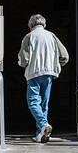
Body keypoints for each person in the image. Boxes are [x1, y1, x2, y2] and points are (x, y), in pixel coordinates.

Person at [17, 13, 69, 142]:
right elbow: (65, 56)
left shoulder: (29, 37)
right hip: (49, 73)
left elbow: (23, 60)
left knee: (33, 102)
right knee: (44, 104)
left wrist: (22, 64)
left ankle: (43, 124)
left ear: (31, 25)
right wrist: (55, 64)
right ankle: (41, 134)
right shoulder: (52, 36)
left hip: (34, 73)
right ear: (44, 24)